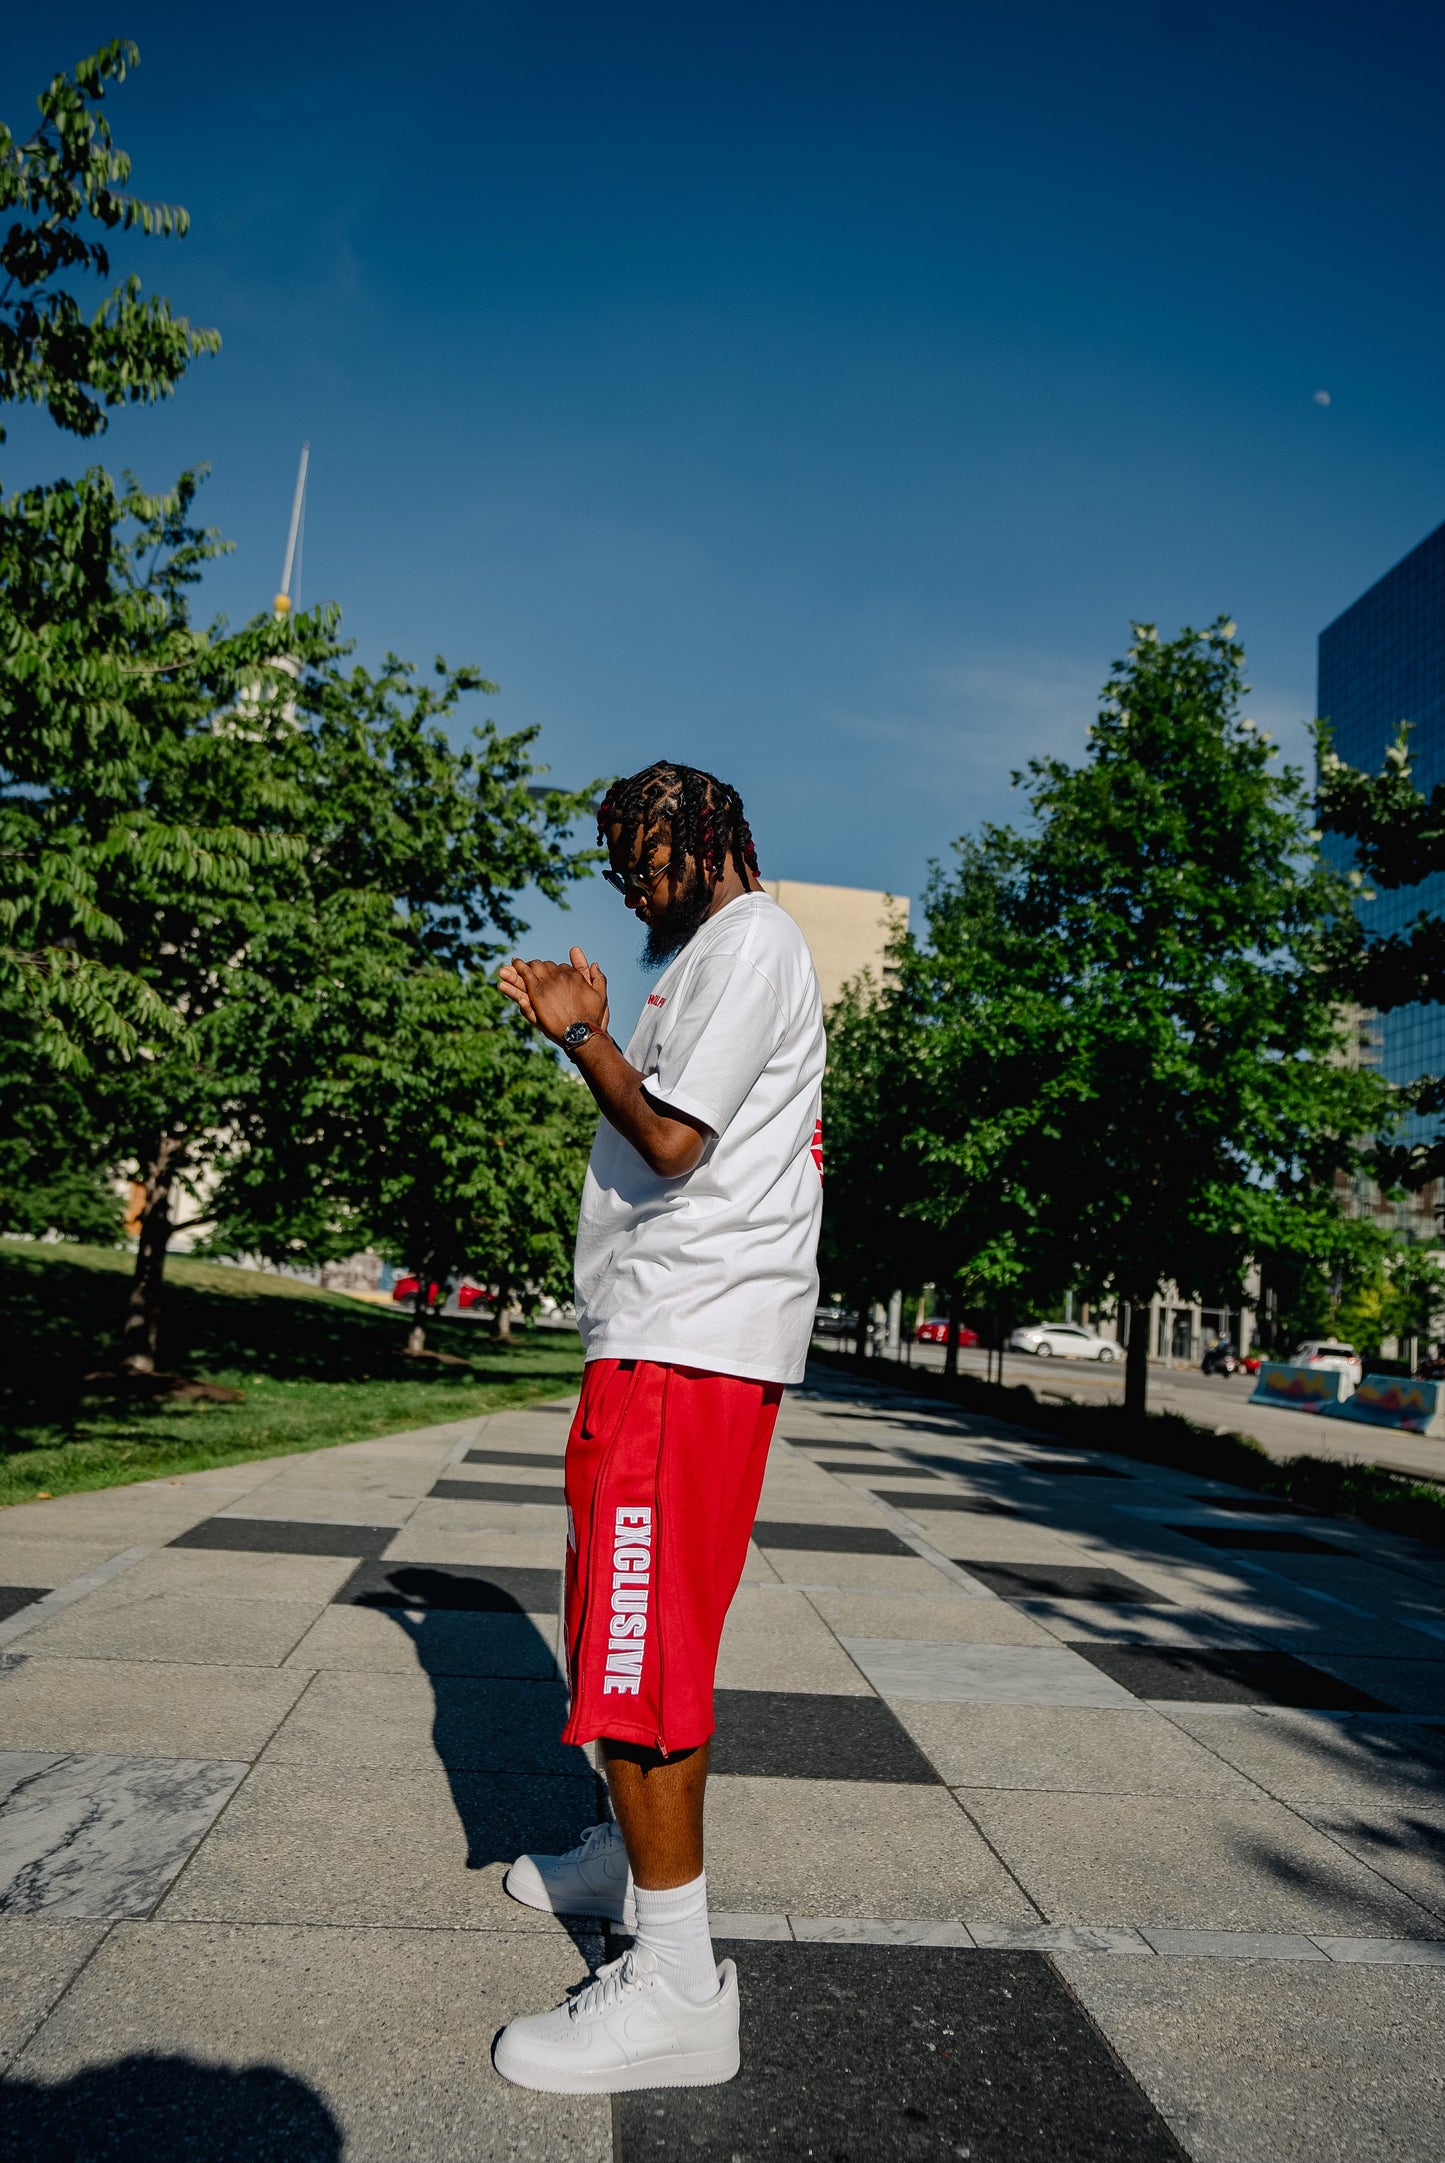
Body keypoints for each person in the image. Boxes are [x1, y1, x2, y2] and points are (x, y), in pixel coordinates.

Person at [491, 760, 824, 2095]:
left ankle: (678, 1984)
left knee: (643, 1650)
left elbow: (674, 1145)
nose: (628, 884)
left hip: (689, 1343)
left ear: (711, 846)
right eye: (616, 862)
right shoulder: (713, 959)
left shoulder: (751, 942)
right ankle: (624, 1853)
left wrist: (583, 1034)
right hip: (658, 1337)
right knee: (619, 1626)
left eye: (642, 860)